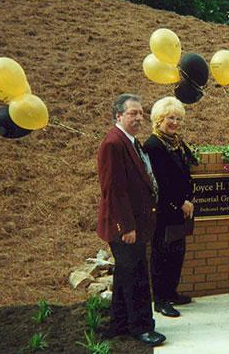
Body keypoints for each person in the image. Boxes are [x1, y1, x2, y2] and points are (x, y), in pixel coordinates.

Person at [96, 93, 166, 346]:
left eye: (141, 113)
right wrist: (126, 227)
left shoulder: (131, 142)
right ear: (118, 116)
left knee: (125, 274)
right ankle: (142, 328)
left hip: (136, 224)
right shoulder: (113, 144)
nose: (139, 117)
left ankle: (120, 323)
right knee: (136, 276)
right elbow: (113, 190)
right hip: (125, 227)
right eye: (132, 113)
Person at [143, 96, 197, 318]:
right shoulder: (154, 145)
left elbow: (188, 168)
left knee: (177, 252)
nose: (174, 122)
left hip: (180, 211)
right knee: (162, 255)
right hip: (164, 211)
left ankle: (172, 293)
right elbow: (160, 182)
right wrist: (180, 203)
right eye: (169, 118)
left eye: (177, 118)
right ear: (159, 120)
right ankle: (161, 300)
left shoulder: (176, 142)